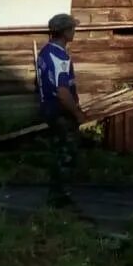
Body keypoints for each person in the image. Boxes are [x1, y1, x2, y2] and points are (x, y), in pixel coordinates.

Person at [36, 13, 82, 208]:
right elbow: (63, 92)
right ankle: (62, 199)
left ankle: (54, 196)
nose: (74, 32)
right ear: (65, 32)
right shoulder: (59, 56)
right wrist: (77, 113)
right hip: (60, 112)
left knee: (57, 153)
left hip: (48, 108)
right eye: (72, 28)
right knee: (67, 154)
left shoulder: (44, 52)